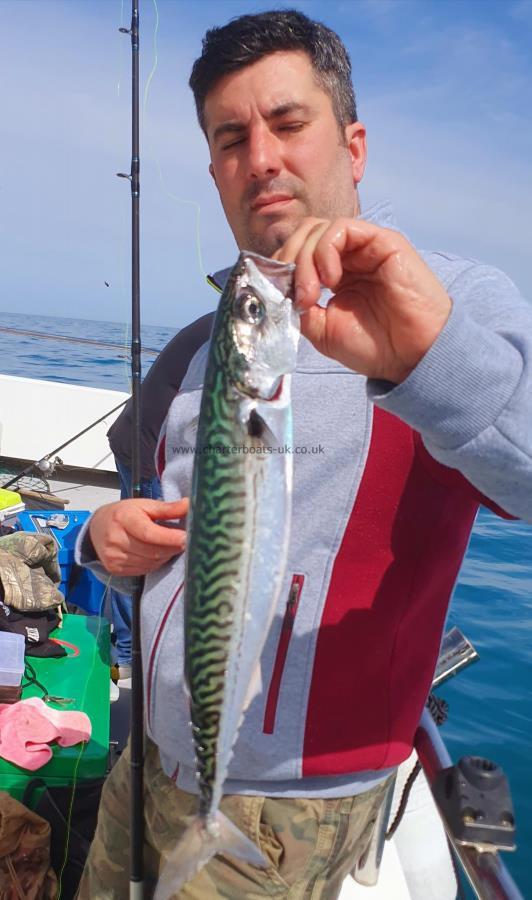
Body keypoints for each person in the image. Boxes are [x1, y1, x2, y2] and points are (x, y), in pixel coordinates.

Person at [77, 9, 532, 898]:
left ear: (353, 145)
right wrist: (107, 542)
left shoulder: (452, 303)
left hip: (292, 812)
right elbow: (167, 543)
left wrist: (424, 357)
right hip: (151, 764)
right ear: (214, 169)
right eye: (232, 138)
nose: (263, 158)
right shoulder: (200, 347)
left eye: (289, 124)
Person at [106, 314, 213, 681]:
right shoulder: (227, 335)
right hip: (149, 452)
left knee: (139, 549)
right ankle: (130, 655)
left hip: (135, 439)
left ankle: (124, 649)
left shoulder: (214, 323)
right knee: (148, 555)